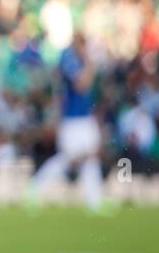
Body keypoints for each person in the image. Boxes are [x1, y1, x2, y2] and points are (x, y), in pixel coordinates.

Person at [31, 32, 106, 212]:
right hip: (72, 118)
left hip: (84, 116)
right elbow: (82, 84)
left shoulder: (78, 58)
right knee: (69, 159)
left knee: (91, 156)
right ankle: (35, 187)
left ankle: (94, 202)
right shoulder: (68, 57)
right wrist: (89, 62)